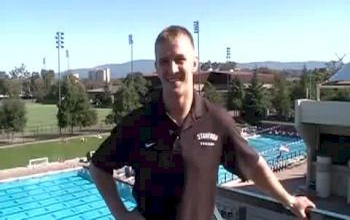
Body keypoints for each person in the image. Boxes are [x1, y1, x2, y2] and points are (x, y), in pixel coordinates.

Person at [90, 25, 315, 220]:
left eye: (180, 59)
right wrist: (120, 214)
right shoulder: (138, 123)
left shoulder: (216, 120)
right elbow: (99, 166)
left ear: (194, 63)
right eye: (164, 61)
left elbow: (253, 165)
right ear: (157, 68)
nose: (172, 69)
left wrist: (289, 200)